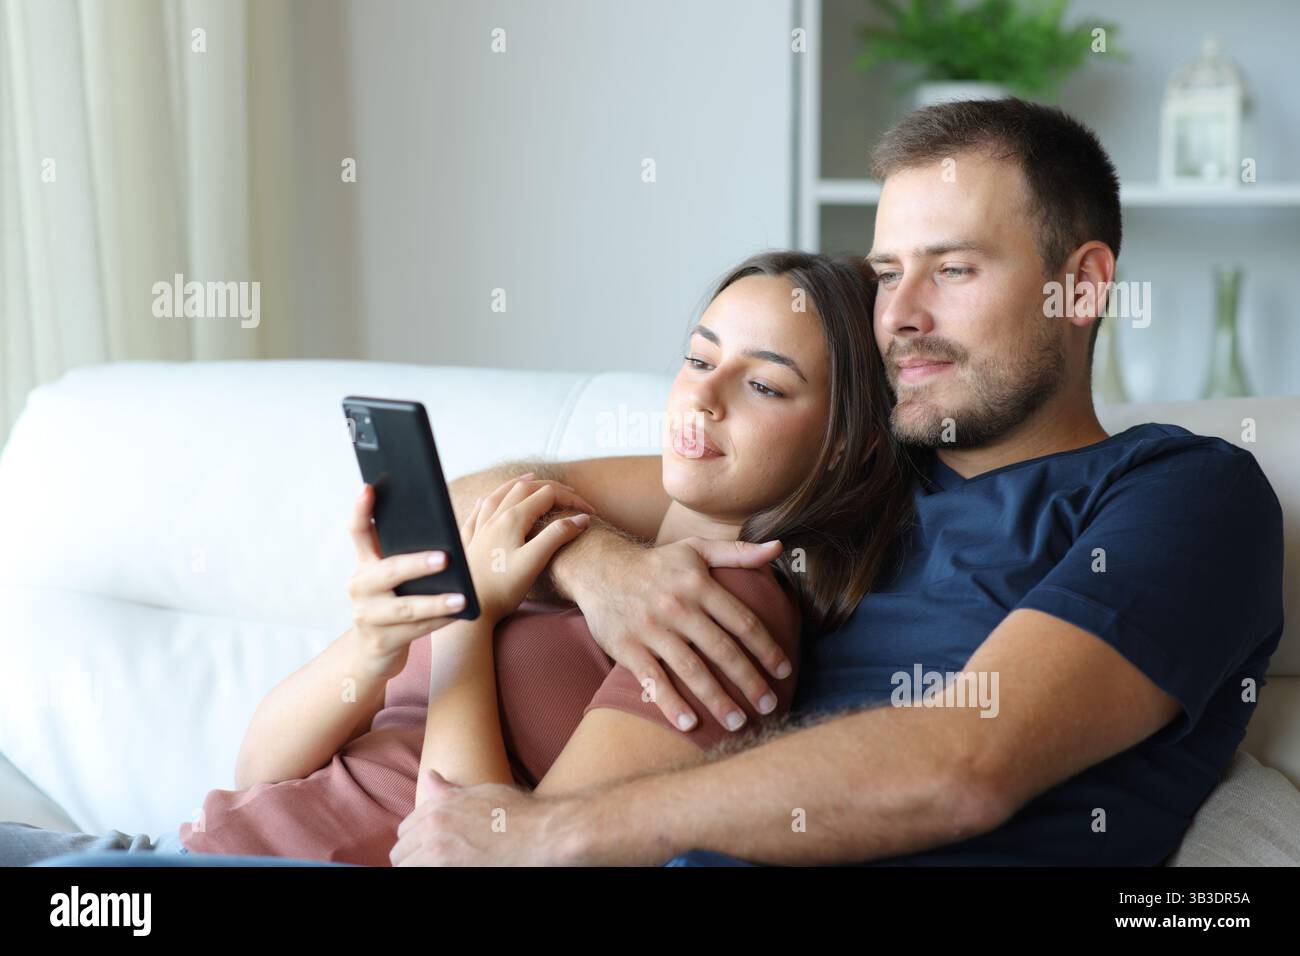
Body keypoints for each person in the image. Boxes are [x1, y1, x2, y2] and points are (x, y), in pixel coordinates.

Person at [388, 98, 1284, 867]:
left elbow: (964, 767)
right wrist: (602, 569)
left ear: (1082, 287)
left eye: (955, 268)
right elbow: (464, 502)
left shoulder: (1183, 495)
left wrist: (548, 836)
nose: (901, 313)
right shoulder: (851, 464)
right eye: (889, 273)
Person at [8, 250, 914, 866]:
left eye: (761, 384)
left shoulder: (732, 612)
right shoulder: (603, 527)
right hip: (172, 848)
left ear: (844, 445)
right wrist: (372, 643)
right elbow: (259, 775)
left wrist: (468, 624)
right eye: (695, 357)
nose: (701, 397)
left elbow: (488, 851)